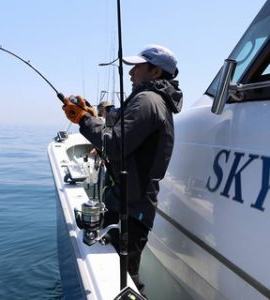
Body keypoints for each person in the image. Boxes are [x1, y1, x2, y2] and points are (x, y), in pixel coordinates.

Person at [62, 44, 183, 293]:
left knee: (125, 280)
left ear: (155, 72)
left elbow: (115, 144)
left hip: (131, 209)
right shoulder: (152, 100)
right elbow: (123, 129)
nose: (131, 73)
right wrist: (93, 116)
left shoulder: (148, 100)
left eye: (137, 67)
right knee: (123, 275)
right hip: (128, 204)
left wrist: (82, 120)